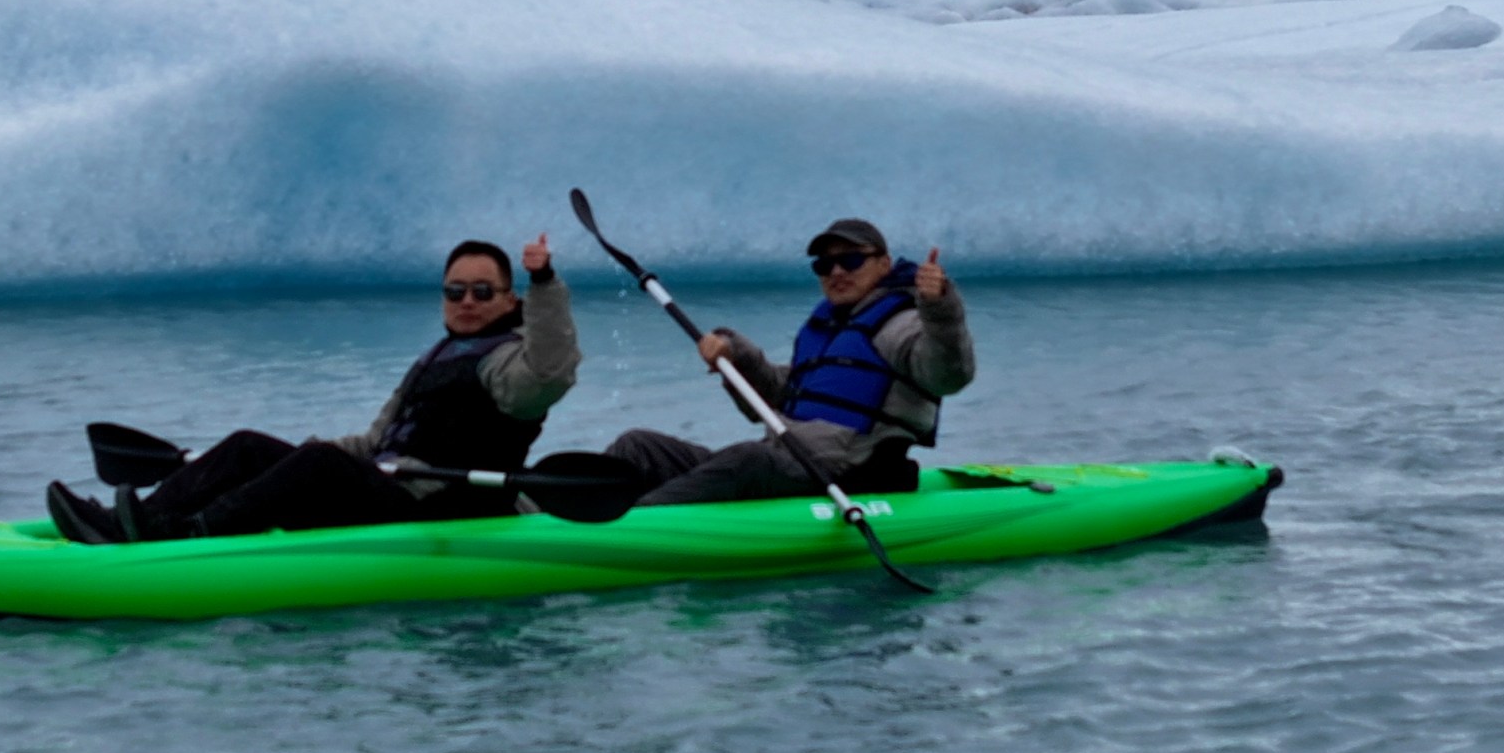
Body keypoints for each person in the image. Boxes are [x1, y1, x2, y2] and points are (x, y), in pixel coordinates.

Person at [47, 235, 580, 543]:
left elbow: (549, 376)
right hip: (390, 492)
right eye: (454, 290)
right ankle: (137, 522)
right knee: (249, 447)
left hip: (446, 510)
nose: (466, 300)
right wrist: (292, 459)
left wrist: (545, 285)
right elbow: (374, 444)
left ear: (510, 301)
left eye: (482, 291)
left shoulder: (511, 360)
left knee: (319, 465)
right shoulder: (435, 359)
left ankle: (188, 537)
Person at [604, 218, 973, 506]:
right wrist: (736, 354)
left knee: (748, 460)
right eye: (825, 265)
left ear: (884, 264)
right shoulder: (824, 327)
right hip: (787, 461)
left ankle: (624, 527)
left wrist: (939, 309)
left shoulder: (903, 324)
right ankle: (561, 512)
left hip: (846, 473)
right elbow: (775, 398)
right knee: (638, 446)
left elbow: (948, 376)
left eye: (851, 259)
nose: (837, 272)